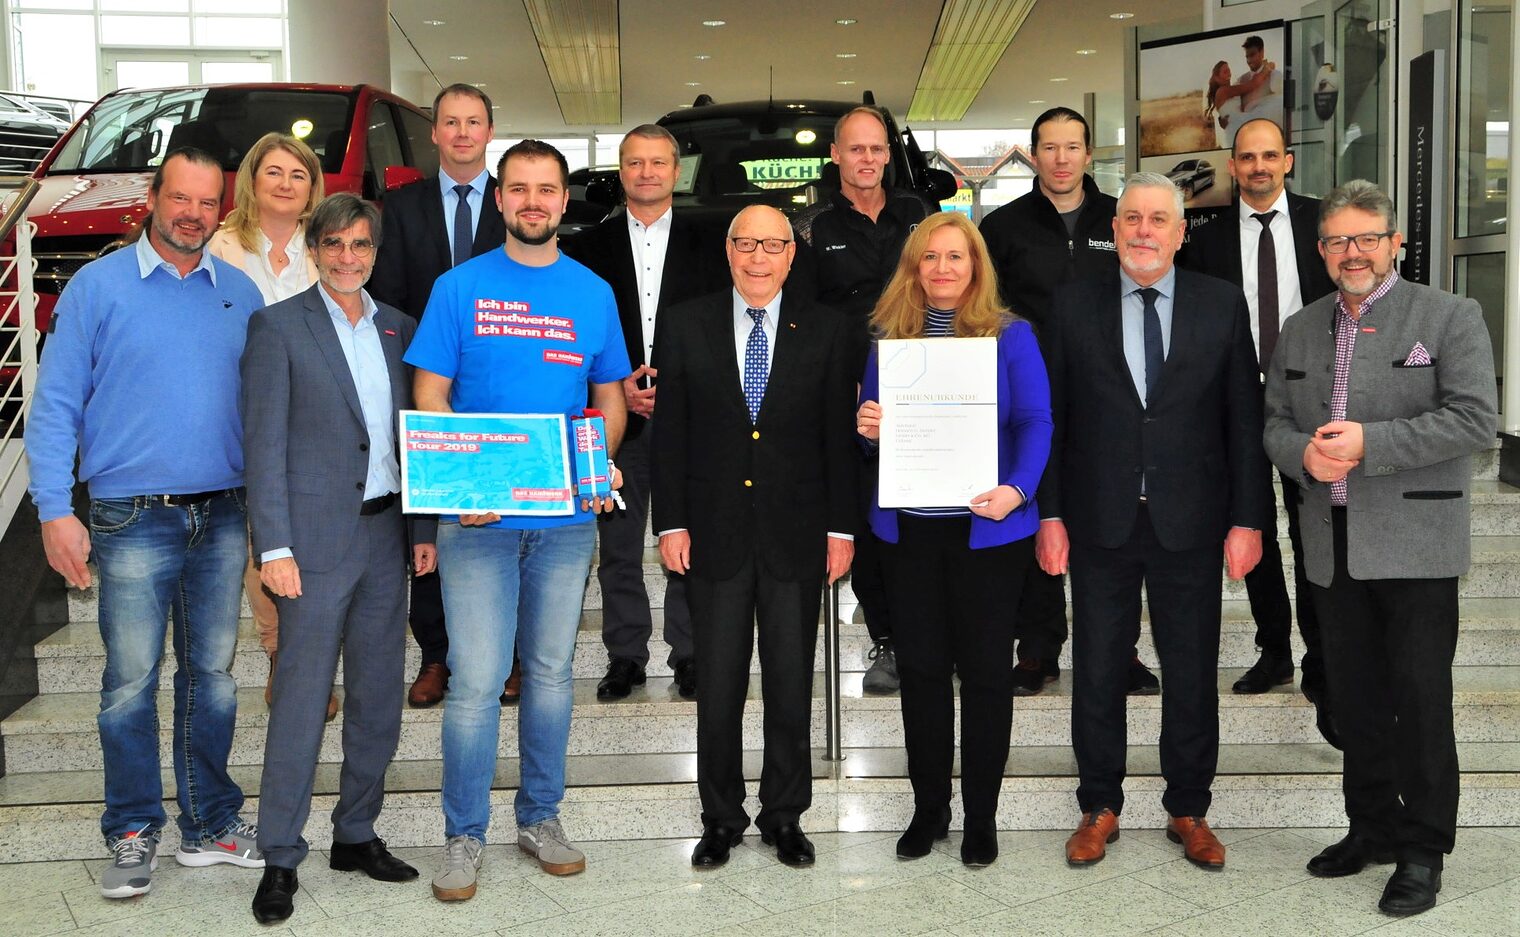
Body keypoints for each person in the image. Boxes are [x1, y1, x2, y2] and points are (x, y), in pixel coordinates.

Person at [25, 147, 268, 898]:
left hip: (224, 512)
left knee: (215, 680)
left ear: (221, 207)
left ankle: (209, 824)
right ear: (154, 198)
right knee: (129, 684)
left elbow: (266, 406)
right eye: (180, 198)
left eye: (207, 202)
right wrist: (54, 509)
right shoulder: (97, 288)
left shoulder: (242, 291)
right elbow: (57, 403)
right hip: (130, 516)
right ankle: (132, 828)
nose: (192, 214)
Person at [1264, 180, 1497, 917]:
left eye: (1367, 237)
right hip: (1329, 547)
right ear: (1322, 249)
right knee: (1354, 699)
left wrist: (1372, 444)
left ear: (1395, 242)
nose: (1352, 252)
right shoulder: (1299, 328)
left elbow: (1474, 421)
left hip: (1417, 547)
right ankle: (1371, 828)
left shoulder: (1449, 316)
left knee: (1421, 705)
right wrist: (1303, 451)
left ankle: (1424, 850)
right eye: (1337, 240)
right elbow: (1272, 423)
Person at [405, 140, 629, 897]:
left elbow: (611, 401)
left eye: (547, 190)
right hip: (477, 524)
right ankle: (462, 836)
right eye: (520, 189)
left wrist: (600, 464)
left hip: (566, 521)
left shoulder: (593, 292)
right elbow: (430, 394)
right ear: (499, 199)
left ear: (565, 202)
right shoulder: (457, 288)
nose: (534, 202)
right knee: (473, 682)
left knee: (552, 675)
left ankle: (540, 818)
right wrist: (459, 480)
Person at [1039, 172, 1269, 870]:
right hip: (1098, 519)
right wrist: (1048, 513)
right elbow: (1053, 421)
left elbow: (1242, 420)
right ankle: (1098, 804)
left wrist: (1249, 519)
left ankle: (1188, 806)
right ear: (1115, 232)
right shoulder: (1071, 306)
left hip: (1191, 521)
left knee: (1193, 668)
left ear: (1178, 231)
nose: (1143, 230)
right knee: (1099, 667)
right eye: (1131, 218)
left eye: (1157, 219)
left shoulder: (1220, 305)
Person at [241, 194, 438, 923]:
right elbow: (261, 447)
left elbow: (410, 437)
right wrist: (276, 548)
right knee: (300, 704)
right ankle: (280, 855)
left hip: (388, 539)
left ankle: (355, 832)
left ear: (375, 251)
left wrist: (422, 529)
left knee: (379, 698)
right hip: (313, 548)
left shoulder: (399, 329)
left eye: (361, 245)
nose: (347, 257)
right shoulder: (276, 328)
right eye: (334, 245)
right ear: (315, 249)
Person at [653, 205, 857, 870]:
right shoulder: (685, 322)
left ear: (791, 256)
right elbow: (672, 431)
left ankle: (784, 814)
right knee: (716, 685)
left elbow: (836, 437)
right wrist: (671, 520)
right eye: (747, 244)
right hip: (711, 532)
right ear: (729, 250)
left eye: (773, 245)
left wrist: (839, 527)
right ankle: (719, 817)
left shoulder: (826, 329)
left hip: (798, 534)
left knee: (792, 682)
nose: (759, 258)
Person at [855, 212, 1051, 867]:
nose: (942, 269)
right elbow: (871, 436)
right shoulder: (891, 338)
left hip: (989, 536)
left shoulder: (1011, 336)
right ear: (913, 267)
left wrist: (1018, 490)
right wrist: (868, 424)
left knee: (989, 678)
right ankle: (929, 809)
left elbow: (1035, 420)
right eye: (929, 258)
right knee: (921, 675)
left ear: (976, 267)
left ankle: (981, 818)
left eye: (955, 257)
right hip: (909, 534)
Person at [979, 106, 1159, 699]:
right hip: (1031, 398)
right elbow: (986, 311)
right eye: (1049, 147)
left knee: (1117, 523)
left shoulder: (1122, 218)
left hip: (1113, 396)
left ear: (1089, 153)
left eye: (1072, 146)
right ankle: (1036, 649)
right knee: (1038, 513)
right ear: (1033, 154)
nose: (1061, 158)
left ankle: (1122, 650)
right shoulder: (1002, 228)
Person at [1179, 118, 1339, 745]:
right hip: (1236, 398)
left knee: (1315, 527)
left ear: (1289, 161)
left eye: (1270, 156)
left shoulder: (1323, 222)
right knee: (1253, 523)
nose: (1258, 167)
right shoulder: (1205, 235)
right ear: (1233, 165)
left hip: (1313, 400)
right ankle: (1273, 649)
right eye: (1247, 157)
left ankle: (1321, 656)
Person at [560, 124, 724, 701]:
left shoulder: (713, 243)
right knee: (619, 548)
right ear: (620, 172)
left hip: (691, 419)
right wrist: (614, 388)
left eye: (658, 163)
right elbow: (574, 336)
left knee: (688, 540)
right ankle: (625, 656)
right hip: (613, 418)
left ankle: (691, 654)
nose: (647, 172)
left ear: (676, 172)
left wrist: (677, 384)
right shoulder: (583, 247)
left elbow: (721, 327)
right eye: (635, 163)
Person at [368, 82, 510, 709]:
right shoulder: (399, 208)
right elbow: (390, 299)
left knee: (504, 525)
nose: (460, 133)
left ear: (488, 131)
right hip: (425, 386)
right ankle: (436, 656)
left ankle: (507, 658)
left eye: (472, 122)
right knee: (429, 518)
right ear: (434, 132)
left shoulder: (514, 204)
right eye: (449, 122)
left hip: (500, 388)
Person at [791, 105, 931, 695]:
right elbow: (799, 318)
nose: (868, 159)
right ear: (836, 155)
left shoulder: (918, 214)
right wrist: (833, 386)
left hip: (928, 388)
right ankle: (891, 640)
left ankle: (932, 636)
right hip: (849, 394)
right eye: (856, 149)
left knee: (925, 519)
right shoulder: (810, 224)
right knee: (870, 521)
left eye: (877, 149)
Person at [206, 131, 334, 719]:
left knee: (305, 536)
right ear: (252, 181)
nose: (286, 184)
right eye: (274, 173)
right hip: (237, 413)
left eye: (298, 174)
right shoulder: (220, 247)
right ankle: (282, 655)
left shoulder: (328, 247)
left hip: (314, 417)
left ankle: (310, 658)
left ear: (313, 187)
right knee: (264, 539)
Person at [1204, 58, 1277, 150]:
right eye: (1225, 72)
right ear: (1218, 78)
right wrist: (1266, 69)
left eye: (1229, 70)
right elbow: (1252, 84)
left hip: (1239, 122)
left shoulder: (1231, 88)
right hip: (1235, 126)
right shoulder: (1223, 91)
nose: (1229, 74)